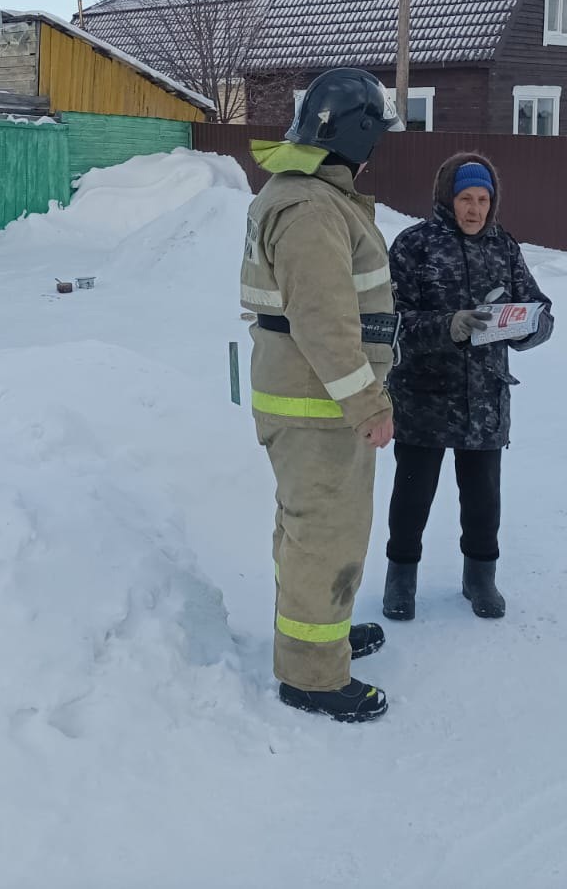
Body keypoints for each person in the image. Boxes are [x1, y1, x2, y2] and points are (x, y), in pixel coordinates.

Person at [240, 68, 404, 723]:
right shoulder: (310, 207)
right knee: (325, 537)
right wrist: (367, 404)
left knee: (308, 531)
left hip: (310, 401)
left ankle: (317, 633)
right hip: (320, 405)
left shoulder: (308, 194)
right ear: (359, 136)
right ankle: (311, 674)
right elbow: (324, 322)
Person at [381, 153, 553, 621]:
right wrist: (448, 326)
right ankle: (401, 577)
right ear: (446, 199)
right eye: (465, 198)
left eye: (483, 199)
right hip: (423, 398)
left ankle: (480, 577)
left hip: (485, 400)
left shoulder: (503, 246)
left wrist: (525, 328)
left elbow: (540, 310)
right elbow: (391, 322)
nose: (474, 209)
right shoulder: (413, 246)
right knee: (412, 496)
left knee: (482, 497)